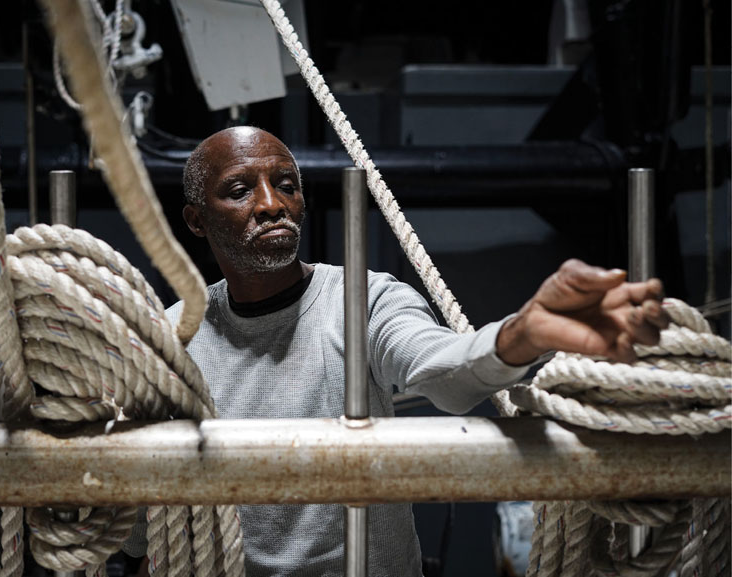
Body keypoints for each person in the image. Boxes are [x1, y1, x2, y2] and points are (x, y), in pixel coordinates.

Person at [128, 126, 668, 576]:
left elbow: (443, 370)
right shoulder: (174, 335)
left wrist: (521, 334)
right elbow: (133, 529)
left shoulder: (366, 300)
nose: (272, 204)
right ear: (197, 220)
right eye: (240, 190)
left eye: (286, 185)